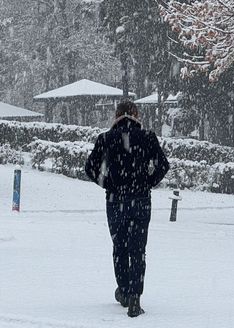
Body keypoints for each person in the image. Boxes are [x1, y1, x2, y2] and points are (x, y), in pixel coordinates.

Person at [85, 100, 170, 318]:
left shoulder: (105, 138)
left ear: (117, 115)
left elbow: (90, 167)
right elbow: (163, 165)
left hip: (115, 201)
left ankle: (123, 291)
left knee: (120, 247)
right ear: (135, 114)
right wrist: (148, 182)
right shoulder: (147, 137)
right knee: (138, 250)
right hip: (140, 201)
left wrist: (107, 183)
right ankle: (135, 298)